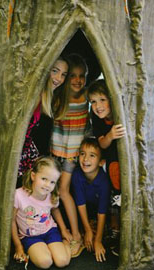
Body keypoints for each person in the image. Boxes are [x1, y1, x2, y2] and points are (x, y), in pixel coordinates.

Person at [50, 53, 89, 257]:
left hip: (72, 155)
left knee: (63, 191)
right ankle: (63, 231)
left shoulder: (86, 97)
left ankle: (76, 235)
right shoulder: (58, 97)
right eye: (72, 75)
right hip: (56, 152)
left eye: (81, 76)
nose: (77, 80)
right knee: (54, 193)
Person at [87, 79, 126, 256]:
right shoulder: (96, 117)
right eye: (93, 101)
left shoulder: (122, 112)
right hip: (112, 161)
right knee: (115, 198)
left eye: (102, 99)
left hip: (126, 160)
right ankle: (115, 232)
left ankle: (123, 235)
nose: (98, 106)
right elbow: (102, 143)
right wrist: (110, 135)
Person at [17, 56, 69, 187]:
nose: (58, 78)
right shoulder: (36, 96)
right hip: (23, 160)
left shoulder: (49, 97)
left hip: (36, 159)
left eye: (63, 74)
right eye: (55, 71)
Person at [12, 156, 72, 269]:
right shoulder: (18, 195)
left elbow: (55, 210)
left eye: (52, 182)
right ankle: (42, 250)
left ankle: (63, 245)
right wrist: (18, 246)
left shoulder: (51, 196)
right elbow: (11, 221)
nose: (47, 185)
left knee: (62, 262)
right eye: (44, 179)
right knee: (45, 262)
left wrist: (63, 230)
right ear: (33, 176)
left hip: (50, 231)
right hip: (30, 236)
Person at [71, 137, 110, 262]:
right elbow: (80, 203)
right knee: (87, 234)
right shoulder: (77, 174)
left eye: (92, 155)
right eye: (82, 154)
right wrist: (87, 229)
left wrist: (98, 240)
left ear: (101, 162)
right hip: (83, 209)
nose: (85, 159)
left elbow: (102, 211)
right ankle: (84, 230)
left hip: (97, 210)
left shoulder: (104, 181)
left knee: (96, 239)